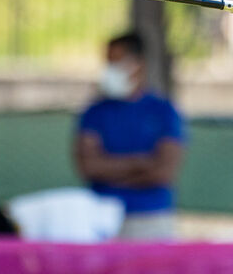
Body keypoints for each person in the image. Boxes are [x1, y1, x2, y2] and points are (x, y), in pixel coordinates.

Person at [74, 31, 186, 239]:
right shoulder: (94, 112)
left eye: (116, 63)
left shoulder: (163, 111)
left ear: (139, 64)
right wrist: (140, 163)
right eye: (108, 63)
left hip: (151, 219)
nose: (110, 70)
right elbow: (89, 167)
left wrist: (112, 171)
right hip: (101, 218)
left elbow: (164, 172)